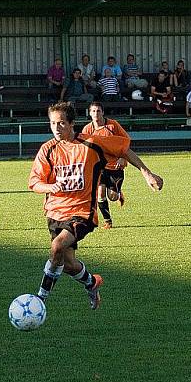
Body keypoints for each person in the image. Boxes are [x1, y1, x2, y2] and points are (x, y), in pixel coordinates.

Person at [28, 102, 163, 309]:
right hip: (55, 212)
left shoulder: (92, 143)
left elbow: (124, 149)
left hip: (82, 212)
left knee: (56, 247)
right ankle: (92, 283)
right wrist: (51, 186)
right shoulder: (47, 149)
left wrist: (146, 173)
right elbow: (34, 182)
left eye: (61, 123)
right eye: (53, 123)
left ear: (72, 124)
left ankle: (39, 300)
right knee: (67, 263)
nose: (56, 128)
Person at [81, 102, 129, 229]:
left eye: (98, 111)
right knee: (100, 193)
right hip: (99, 167)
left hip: (115, 166)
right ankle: (108, 221)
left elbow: (126, 141)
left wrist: (122, 158)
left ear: (102, 112)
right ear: (90, 113)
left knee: (112, 197)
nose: (96, 113)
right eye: (93, 111)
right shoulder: (87, 129)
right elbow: (85, 149)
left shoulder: (113, 125)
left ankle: (118, 194)